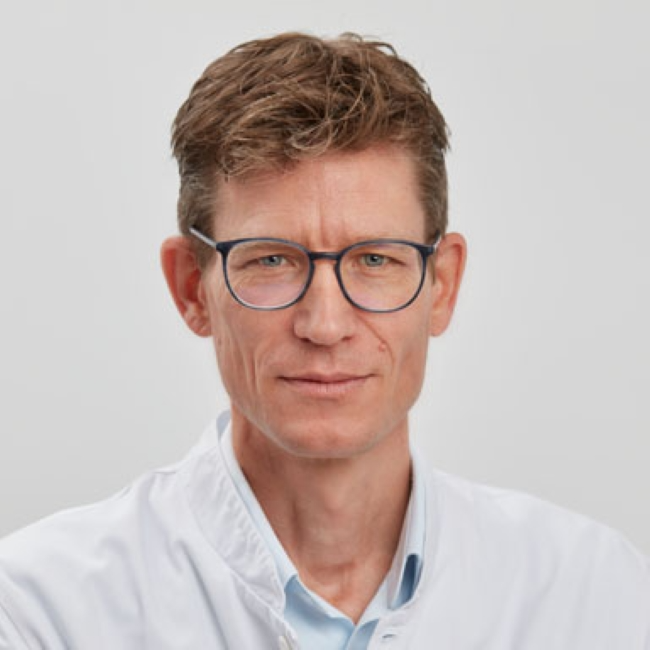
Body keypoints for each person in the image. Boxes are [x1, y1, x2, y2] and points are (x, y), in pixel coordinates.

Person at [0, 32, 648, 650]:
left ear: (442, 286)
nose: (326, 325)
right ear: (192, 289)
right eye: (271, 260)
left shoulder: (591, 597)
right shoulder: (41, 612)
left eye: (375, 259)